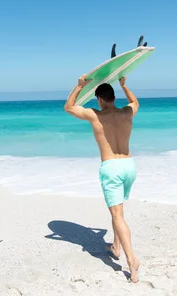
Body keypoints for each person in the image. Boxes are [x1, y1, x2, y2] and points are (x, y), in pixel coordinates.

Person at [63, 74, 140, 283]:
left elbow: (69, 107)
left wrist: (79, 86)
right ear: (113, 97)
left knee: (117, 215)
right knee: (119, 212)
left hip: (112, 168)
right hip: (129, 166)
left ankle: (132, 260)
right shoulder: (126, 113)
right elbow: (135, 102)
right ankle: (116, 247)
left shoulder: (96, 116)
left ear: (99, 99)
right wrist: (125, 85)